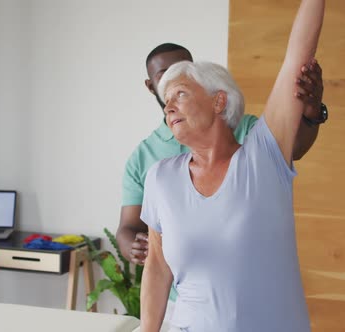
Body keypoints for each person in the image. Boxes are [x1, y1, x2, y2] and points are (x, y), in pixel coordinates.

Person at [139, 0, 325, 330]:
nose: (168, 107)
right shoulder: (161, 178)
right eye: (165, 100)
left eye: (179, 94)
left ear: (219, 100)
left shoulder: (263, 158)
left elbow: (297, 56)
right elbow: (157, 265)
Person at [117, 44, 326, 266]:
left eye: (183, 68)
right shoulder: (144, 159)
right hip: (177, 296)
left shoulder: (244, 129)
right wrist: (132, 245)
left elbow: (293, 149)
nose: (175, 77)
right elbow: (127, 228)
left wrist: (312, 113)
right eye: (164, 74)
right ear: (151, 86)